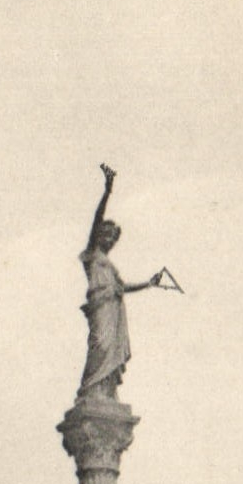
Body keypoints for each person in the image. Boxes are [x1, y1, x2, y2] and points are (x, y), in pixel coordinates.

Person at [77, 164, 163, 401]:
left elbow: (122, 287)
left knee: (110, 350)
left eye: (114, 238)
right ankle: (91, 390)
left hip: (114, 308)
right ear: (99, 236)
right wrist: (107, 192)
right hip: (100, 306)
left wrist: (148, 284)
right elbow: (96, 221)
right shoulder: (92, 255)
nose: (110, 240)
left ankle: (105, 390)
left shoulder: (111, 268)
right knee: (100, 346)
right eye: (107, 235)